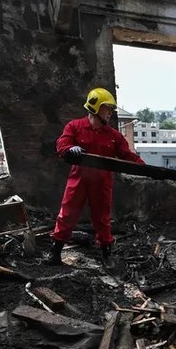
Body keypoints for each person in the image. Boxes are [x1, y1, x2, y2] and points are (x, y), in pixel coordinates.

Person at [47, 87, 145, 269]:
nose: (110, 113)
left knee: (102, 219)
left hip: (101, 182)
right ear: (96, 107)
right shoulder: (75, 127)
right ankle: (55, 252)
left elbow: (127, 155)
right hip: (78, 180)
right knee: (66, 214)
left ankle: (106, 254)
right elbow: (62, 143)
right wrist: (69, 149)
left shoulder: (113, 136)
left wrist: (145, 168)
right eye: (107, 108)